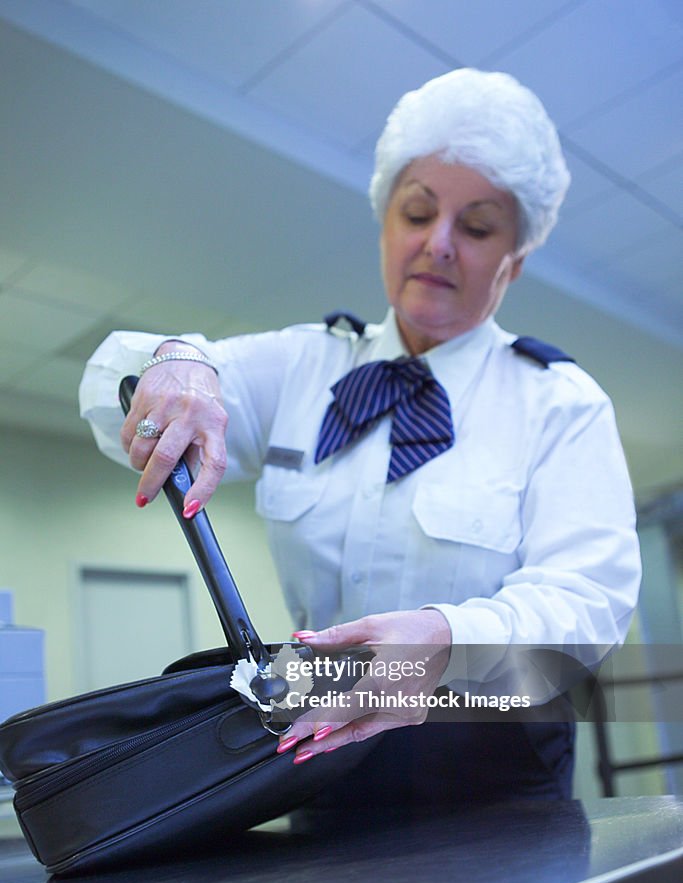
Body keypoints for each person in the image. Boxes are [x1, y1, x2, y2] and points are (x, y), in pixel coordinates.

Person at [80, 68, 641, 807]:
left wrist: (446, 645)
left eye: (475, 227)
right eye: (416, 212)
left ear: (515, 257)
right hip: (319, 762)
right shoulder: (304, 365)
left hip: (500, 781)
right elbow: (112, 392)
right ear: (384, 220)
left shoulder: (559, 403)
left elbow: (586, 603)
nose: (438, 243)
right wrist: (178, 364)